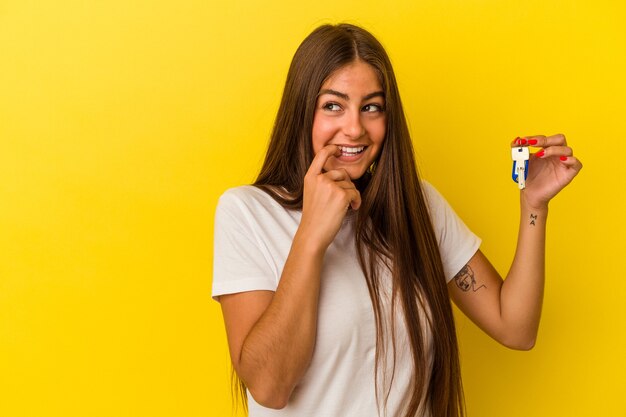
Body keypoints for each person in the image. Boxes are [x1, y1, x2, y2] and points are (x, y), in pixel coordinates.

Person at [211, 23, 582, 417]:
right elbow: (270, 386)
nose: (354, 128)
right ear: (303, 111)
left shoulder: (417, 205)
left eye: (371, 107)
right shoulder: (247, 213)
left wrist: (534, 206)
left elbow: (516, 327)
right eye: (333, 105)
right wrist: (311, 235)